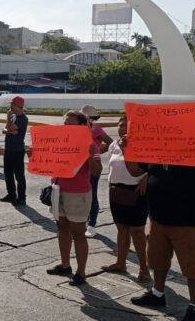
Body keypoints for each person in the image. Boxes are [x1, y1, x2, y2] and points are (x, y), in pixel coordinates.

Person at [124, 138, 195, 321]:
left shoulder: (194, 152)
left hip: (185, 221)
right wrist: (126, 150)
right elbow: (135, 171)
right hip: (157, 218)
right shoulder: (154, 151)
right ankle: (157, 294)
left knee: (192, 266)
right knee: (157, 260)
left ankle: (194, 307)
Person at [42, 110, 101, 286]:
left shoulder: (90, 144)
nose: (67, 127)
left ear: (82, 126)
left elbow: (97, 171)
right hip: (58, 190)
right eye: (65, 124)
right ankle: (65, 264)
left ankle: (81, 272)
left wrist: (90, 155)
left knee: (78, 232)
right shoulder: (59, 142)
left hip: (78, 194)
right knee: (62, 228)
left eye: (72, 124)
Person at [101, 116, 150, 282]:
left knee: (137, 231)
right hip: (116, 190)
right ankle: (120, 263)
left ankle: (144, 268)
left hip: (136, 191)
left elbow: (153, 165)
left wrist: (147, 177)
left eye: (126, 126)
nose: (123, 129)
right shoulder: (114, 145)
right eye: (120, 126)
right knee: (121, 228)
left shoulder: (143, 145)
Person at [81, 104, 114, 237]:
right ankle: (82, 221)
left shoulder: (96, 130)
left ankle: (92, 224)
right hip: (79, 166)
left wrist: (98, 152)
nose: (91, 120)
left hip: (93, 164)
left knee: (92, 194)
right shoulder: (76, 130)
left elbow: (111, 143)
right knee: (80, 194)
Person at [1, 96, 29, 206]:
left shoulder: (23, 118)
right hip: (8, 148)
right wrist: (8, 130)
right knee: (8, 173)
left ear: (18, 106)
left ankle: (22, 197)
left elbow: (11, 128)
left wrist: (8, 124)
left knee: (19, 175)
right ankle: (11, 194)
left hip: (17, 150)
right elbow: (6, 129)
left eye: (12, 104)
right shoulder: (13, 116)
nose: (10, 106)